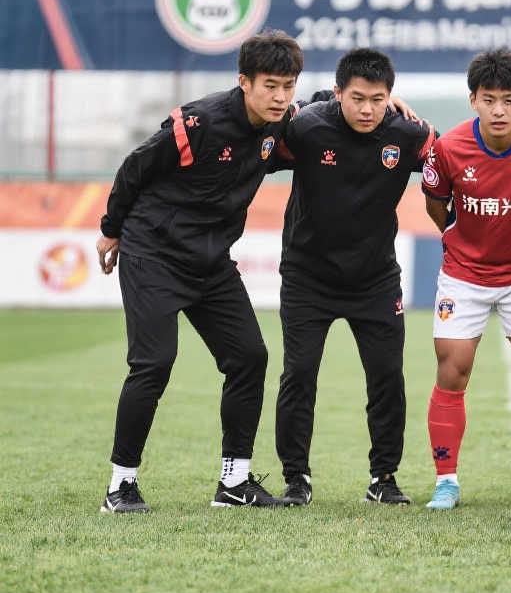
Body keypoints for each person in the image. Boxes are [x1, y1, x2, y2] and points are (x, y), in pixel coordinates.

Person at [96, 29, 304, 512]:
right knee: (154, 363)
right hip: (153, 253)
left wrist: (387, 105)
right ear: (244, 82)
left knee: (249, 357)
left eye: (287, 86)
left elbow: (323, 111)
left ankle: (234, 483)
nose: (280, 96)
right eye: (270, 85)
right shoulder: (200, 122)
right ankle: (120, 486)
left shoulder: (280, 125)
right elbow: (135, 167)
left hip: (210, 263)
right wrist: (111, 230)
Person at [271, 48, 434, 507]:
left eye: (378, 99)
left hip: (375, 280)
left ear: (390, 97)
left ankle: (384, 478)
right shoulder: (306, 127)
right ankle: (296, 478)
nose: (367, 109)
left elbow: (454, 162)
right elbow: (259, 143)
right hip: (307, 277)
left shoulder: (408, 133)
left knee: (387, 376)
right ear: (338, 93)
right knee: (299, 374)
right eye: (357, 98)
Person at [421, 48, 511, 510]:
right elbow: (435, 204)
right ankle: (446, 482)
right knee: (452, 370)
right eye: (489, 100)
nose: (498, 110)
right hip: (463, 274)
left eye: (508, 100)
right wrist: (456, 237)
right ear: (473, 101)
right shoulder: (448, 148)